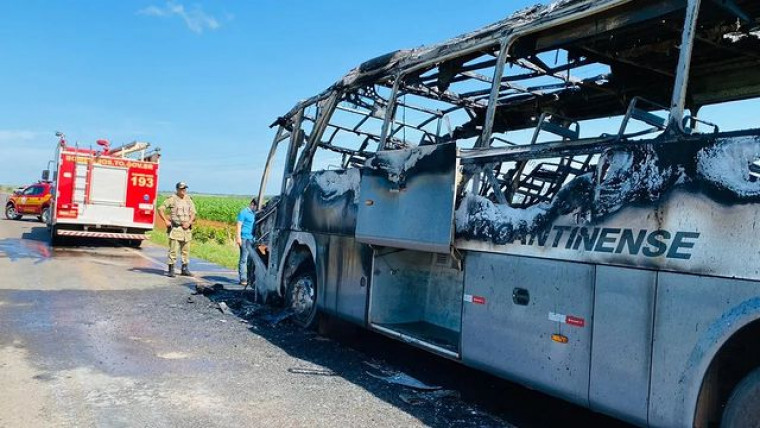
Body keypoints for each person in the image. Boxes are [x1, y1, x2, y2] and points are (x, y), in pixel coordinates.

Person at [158, 182, 197, 277]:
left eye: (185, 188)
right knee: (173, 250)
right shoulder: (172, 199)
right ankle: (171, 269)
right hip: (176, 228)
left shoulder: (189, 199)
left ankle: (185, 269)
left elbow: (193, 213)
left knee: (186, 250)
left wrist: (189, 222)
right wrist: (166, 221)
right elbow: (160, 209)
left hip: (186, 229)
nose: (184, 190)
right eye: (182, 188)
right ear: (177, 189)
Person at [236, 197, 258, 285]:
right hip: (244, 238)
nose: (257, 208)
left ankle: (250, 278)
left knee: (251, 259)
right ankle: (243, 279)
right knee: (244, 259)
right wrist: (238, 237)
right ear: (252, 204)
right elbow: (238, 225)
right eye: (256, 206)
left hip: (252, 239)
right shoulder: (244, 212)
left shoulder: (255, 213)